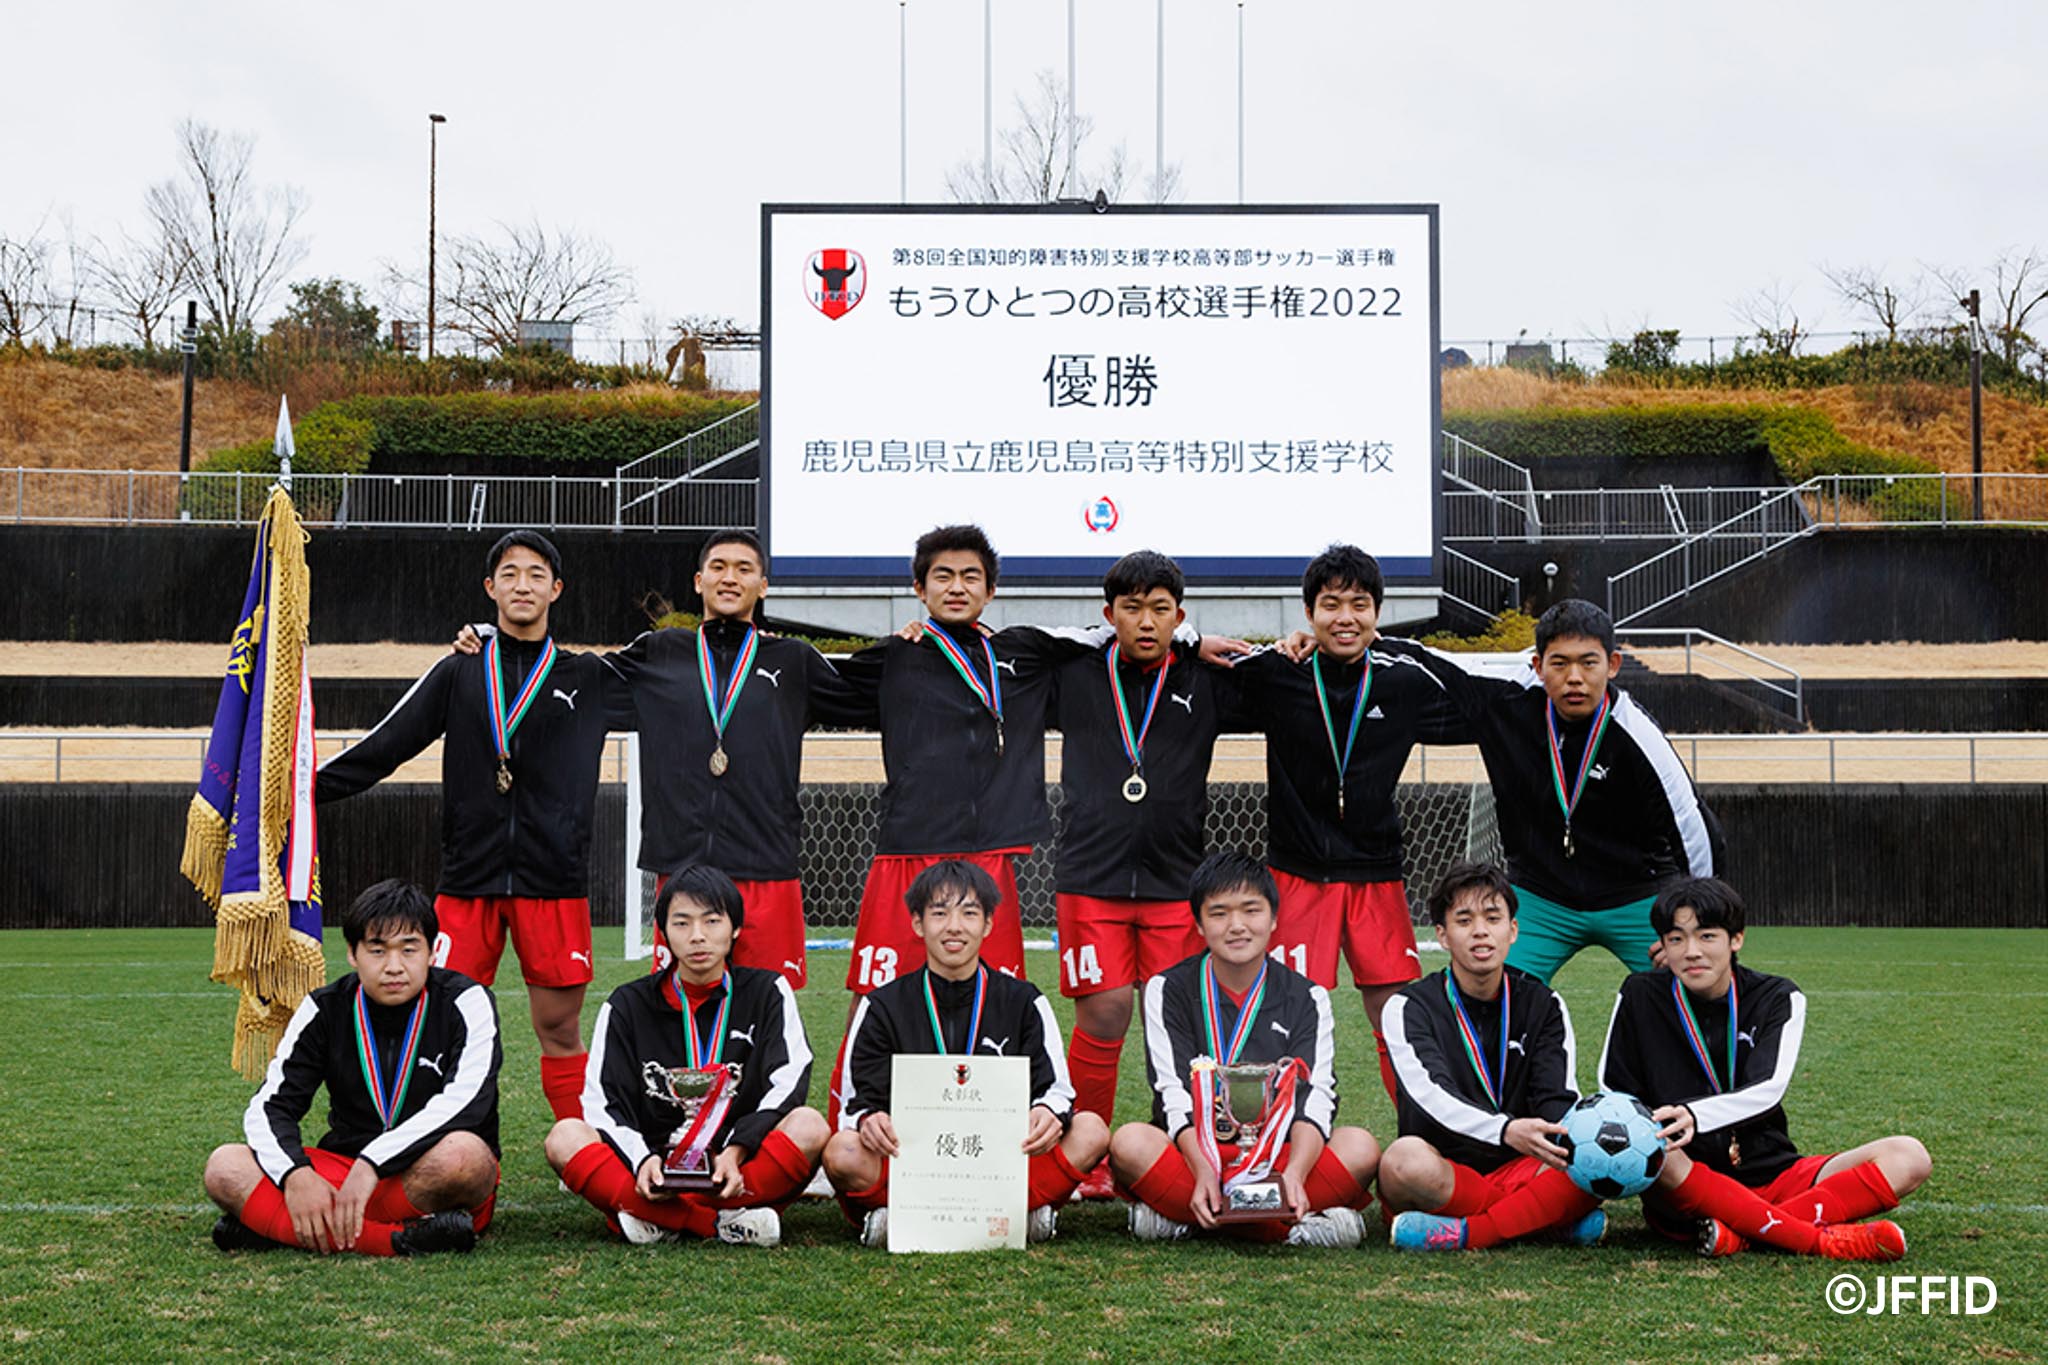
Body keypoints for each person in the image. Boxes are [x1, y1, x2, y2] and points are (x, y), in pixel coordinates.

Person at [456, 529, 868, 991]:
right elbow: (572, 678)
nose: (729, 578)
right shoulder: (658, 652)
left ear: (763, 586)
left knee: (773, 1011)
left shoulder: (794, 660)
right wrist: (497, 638)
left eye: (743, 569)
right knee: (677, 1014)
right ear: (698, 581)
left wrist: (919, 638)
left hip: (767, 870)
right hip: (681, 867)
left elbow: (873, 694)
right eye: (718, 567)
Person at [317, 531, 630, 1121]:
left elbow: (678, 693)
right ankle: (439, 1146)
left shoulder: (588, 678)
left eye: (536, 575)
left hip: (554, 883)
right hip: (467, 883)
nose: (522, 585)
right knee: (443, 1025)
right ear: (490, 588)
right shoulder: (459, 672)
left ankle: (582, 1150)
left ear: (556, 590)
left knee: (559, 1029)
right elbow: (387, 745)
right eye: (509, 574)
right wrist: (301, 796)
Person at [1372, 598, 1722, 985]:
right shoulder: (1507, 695)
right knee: (1489, 989)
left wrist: (1691, 923)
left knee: (1694, 982)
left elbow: (1696, 833)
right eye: (1560, 663)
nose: (1575, 677)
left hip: (1636, 895)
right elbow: (1428, 659)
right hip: (1542, 897)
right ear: (1538, 666)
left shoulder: (1640, 738)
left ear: (1613, 665)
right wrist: (1337, 641)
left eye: (1589, 663)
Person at [1050, 550, 1256, 1196]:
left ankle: (1175, 1145)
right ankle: (1088, 1155)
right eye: (1132, 608)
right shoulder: (1076, 671)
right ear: (1108, 615)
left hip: (1177, 884)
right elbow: (1017, 643)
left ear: (1180, 616)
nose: (1146, 621)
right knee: (1106, 1010)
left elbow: (1282, 673)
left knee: (1178, 1021)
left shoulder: (1208, 676)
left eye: (1161, 610)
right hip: (1090, 876)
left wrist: (1198, 646)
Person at [1229, 544, 1469, 1100]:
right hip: (1295, 875)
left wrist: (1400, 647)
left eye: (1359, 605)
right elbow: (1199, 674)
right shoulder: (1276, 673)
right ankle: (1268, 1146)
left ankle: (1425, 1140)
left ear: (1377, 613)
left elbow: (1472, 694)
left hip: (1375, 878)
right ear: (1308, 613)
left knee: (1399, 1022)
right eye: (1331, 605)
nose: (1345, 618)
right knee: (1277, 1021)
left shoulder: (1401, 681)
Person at [1600, 877, 1927, 1260]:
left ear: (1736, 939)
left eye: (1707, 936)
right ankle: (1816, 1240)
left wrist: (1695, 1114)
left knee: (1909, 1156)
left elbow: (1769, 1088)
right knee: (1658, 1150)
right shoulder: (1639, 993)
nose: (1691, 952)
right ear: (1663, 945)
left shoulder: (1777, 996)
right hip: (1685, 1179)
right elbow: (1612, 1087)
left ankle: (1743, 1234)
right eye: (1676, 939)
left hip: (1775, 1173)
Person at [202, 880, 501, 1256]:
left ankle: (280, 1228)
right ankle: (399, 1239)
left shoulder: (467, 1001)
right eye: (377, 950)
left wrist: (374, 1163)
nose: (394, 966)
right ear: (353, 954)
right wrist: (295, 1174)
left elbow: (467, 1102)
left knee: (465, 1157)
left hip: (422, 1173)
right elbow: (270, 1106)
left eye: (409, 949)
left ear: (431, 952)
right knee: (224, 1166)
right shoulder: (324, 1009)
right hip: (342, 1173)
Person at [822, 859, 1109, 1247]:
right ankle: (1004, 1216)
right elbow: (854, 1106)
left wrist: (1048, 1113)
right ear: (918, 924)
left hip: (1000, 1162)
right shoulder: (882, 1005)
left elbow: (1057, 1091)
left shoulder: (1023, 1001)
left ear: (988, 924)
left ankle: (979, 1214)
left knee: (1090, 1130)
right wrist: (870, 1119)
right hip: (913, 1162)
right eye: (939, 913)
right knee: (843, 1151)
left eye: (969, 913)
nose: (954, 927)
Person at [1108, 850, 1381, 1247]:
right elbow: (1171, 1093)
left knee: (1360, 1148)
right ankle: (1290, 1227)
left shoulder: (1309, 996)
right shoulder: (1166, 990)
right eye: (1219, 913)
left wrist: (1296, 1175)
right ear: (1199, 924)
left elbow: (1316, 1095)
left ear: (1273, 918)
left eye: (1251, 910)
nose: (1236, 926)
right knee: (1130, 1143)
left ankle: (1187, 1222)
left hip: (1279, 1155)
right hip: (1197, 1155)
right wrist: (1202, 1168)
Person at [546, 864, 825, 1247]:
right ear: (664, 933)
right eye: (682, 923)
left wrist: (737, 1149)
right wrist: (642, 1159)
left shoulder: (768, 991)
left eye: (712, 921)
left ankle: (656, 1220)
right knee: (564, 1137)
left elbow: (790, 1078)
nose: (698, 937)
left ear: (735, 928)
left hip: (737, 1160)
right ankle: (721, 1223)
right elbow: (601, 1101)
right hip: (653, 1166)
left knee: (810, 1126)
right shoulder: (627, 1004)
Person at [1378, 862, 1605, 1250]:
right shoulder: (1408, 1006)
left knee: (1598, 1159)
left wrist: (1568, 1143)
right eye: (1464, 920)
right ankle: (1541, 1219)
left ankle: (1464, 1231)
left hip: (1524, 1164)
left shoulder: (1543, 1003)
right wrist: (1504, 1130)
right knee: (1402, 1163)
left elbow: (1556, 1100)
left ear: (1512, 930)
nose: (1480, 931)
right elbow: (1432, 1097)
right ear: (1443, 936)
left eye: (1493, 918)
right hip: (1444, 1169)